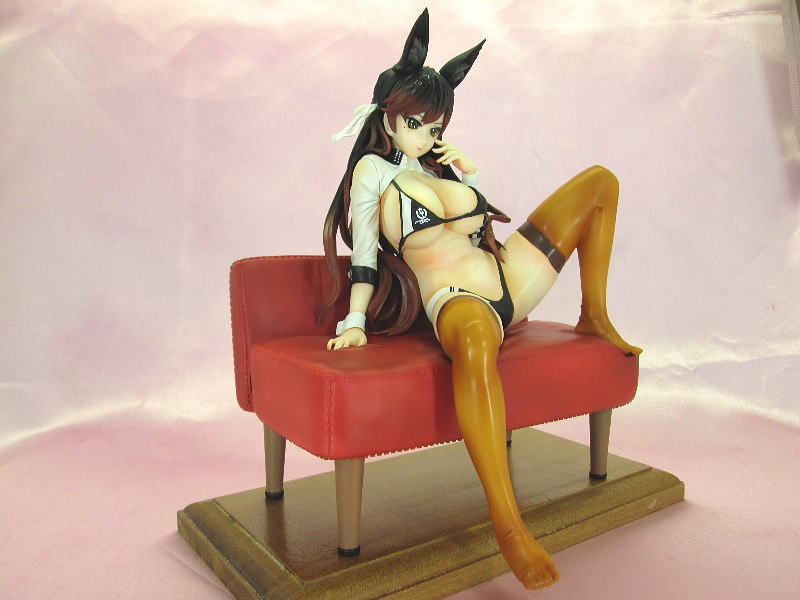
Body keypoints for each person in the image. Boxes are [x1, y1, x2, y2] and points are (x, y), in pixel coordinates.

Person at [320, 9, 640, 590]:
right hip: (457, 296)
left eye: (437, 125)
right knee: (473, 342)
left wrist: (464, 172)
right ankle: (509, 524)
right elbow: (364, 254)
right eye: (417, 122)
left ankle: (594, 314)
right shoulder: (372, 173)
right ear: (387, 114)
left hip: (508, 275)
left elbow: (478, 225)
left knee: (600, 182)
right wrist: (355, 319)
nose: (428, 134)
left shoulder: (439, 164)